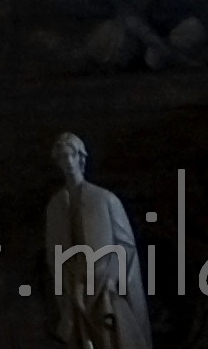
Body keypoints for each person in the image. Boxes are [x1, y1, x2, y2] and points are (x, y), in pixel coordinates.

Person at [43, 134, 151, 349]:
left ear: (80, 158)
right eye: (62, 158)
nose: (67, 162)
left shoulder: (105, 199)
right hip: (74, 281)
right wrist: (66, 281)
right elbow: (54, 250)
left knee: (110, 335)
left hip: (104, 280)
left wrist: (112, 278)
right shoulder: (56, 206)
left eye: (70, 156)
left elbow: (125, 246)